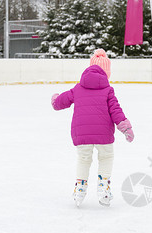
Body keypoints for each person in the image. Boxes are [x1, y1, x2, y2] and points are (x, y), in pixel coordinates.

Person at [51, 49, 134, 207]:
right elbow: (116, 111)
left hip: (81, 134)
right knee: (106, 157)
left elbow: (62, 101)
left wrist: (55, 100)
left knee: (83, 159)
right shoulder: (108, 90)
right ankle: (103, 188)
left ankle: (80, 188)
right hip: (103, 134)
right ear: (107, 73)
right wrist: (125, 127)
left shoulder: (78, 88)